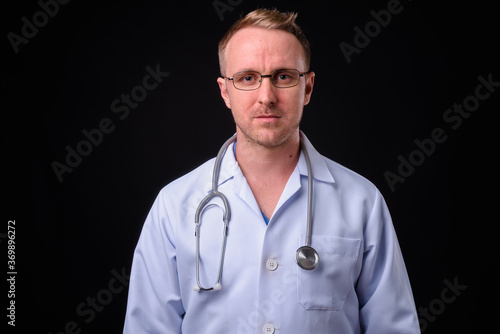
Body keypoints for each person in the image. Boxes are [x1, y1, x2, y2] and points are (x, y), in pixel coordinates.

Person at [123, 8, 419, 334]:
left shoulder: (362, 201)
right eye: (248, 78)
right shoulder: (174, 205)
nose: (267, 97)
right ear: (225, 91)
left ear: (307, 87)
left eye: (283, 76)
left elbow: (393, 328)